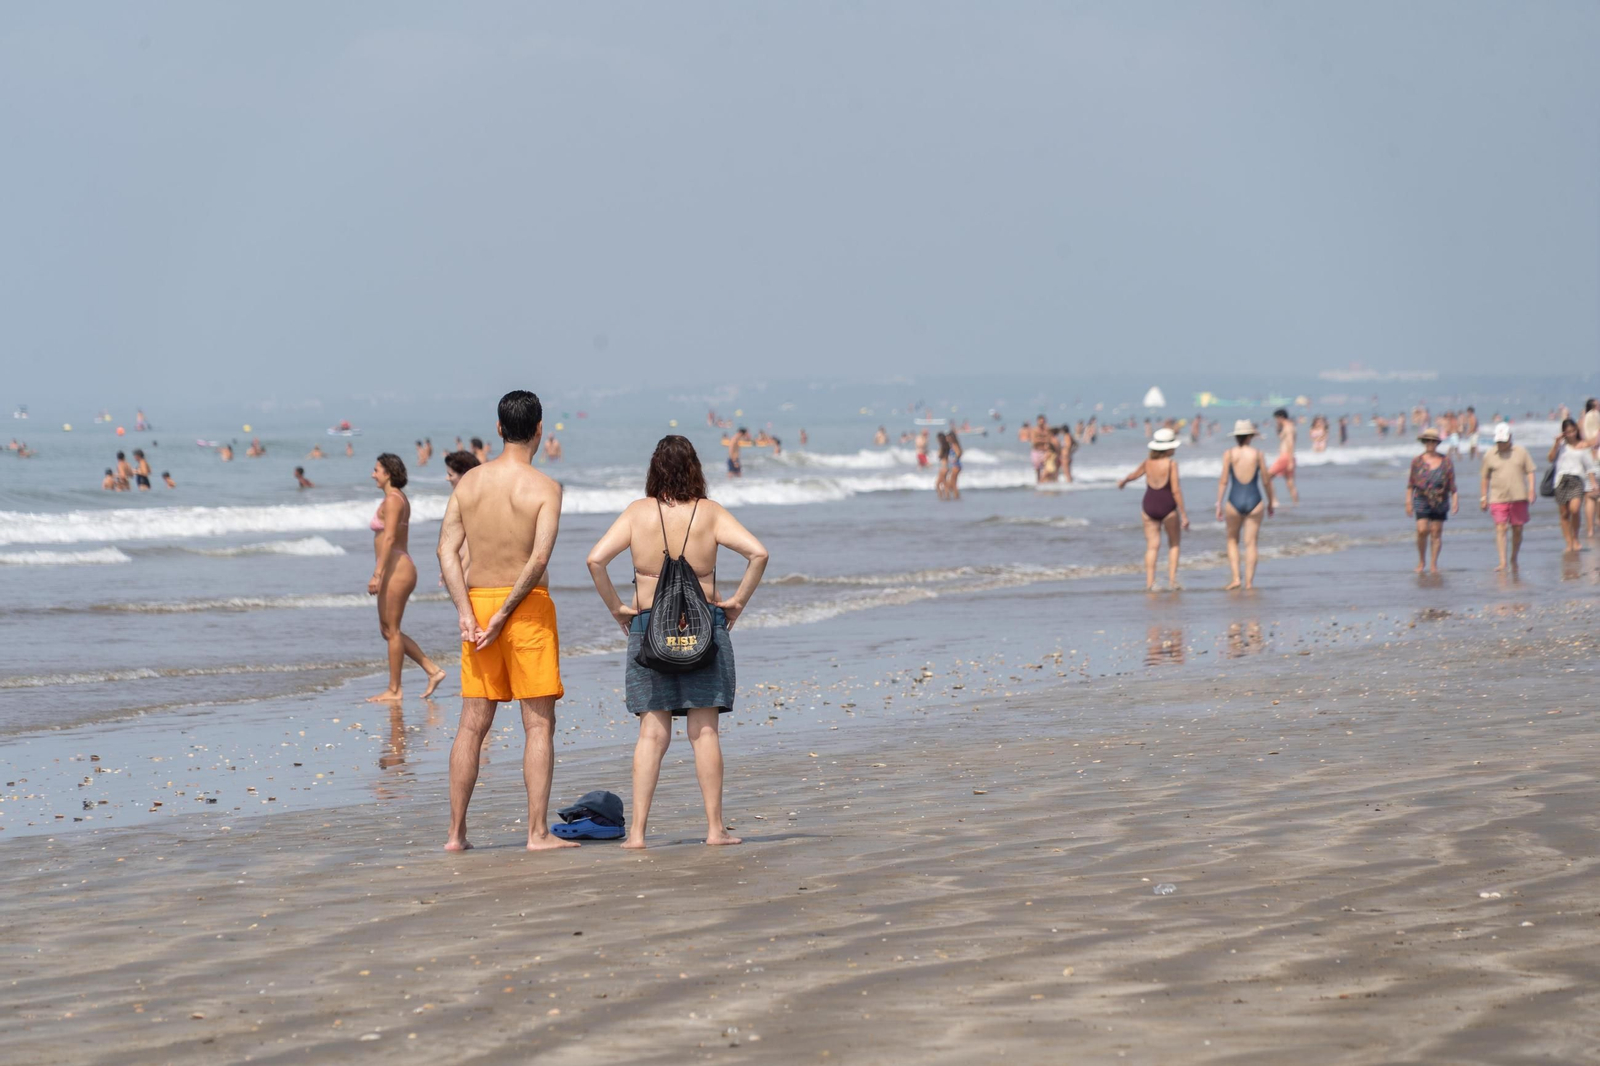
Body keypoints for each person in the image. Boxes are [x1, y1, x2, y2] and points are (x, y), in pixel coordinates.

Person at [585, 435, 768, 849]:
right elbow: (758, 553)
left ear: (654, 469)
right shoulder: (710, 513)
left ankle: (636, 834)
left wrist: (617, 607)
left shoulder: (637, 513)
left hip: (649, 628)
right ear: (695, 469)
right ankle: (714, 829)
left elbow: (595, 560)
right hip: (704, 629)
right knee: (704, 732)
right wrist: (736, 602)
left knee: (652, 734)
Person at [436, 391, 572, 852]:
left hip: (477, 606)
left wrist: (465, 613)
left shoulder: (469, 484)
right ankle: (536, 834)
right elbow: (537, 560)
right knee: (538, 726)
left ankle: (456, 834)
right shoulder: (545, 488)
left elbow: (446, 553)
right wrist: (506, 613)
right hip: (525, 606)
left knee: (471, 725)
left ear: (498, 428)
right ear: (539, 430)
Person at [366, 453, 447, 704]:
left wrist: (377, 573)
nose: (373, 474)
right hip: (396, 567)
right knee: (388, 630)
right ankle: (432, 670)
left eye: (377, 469)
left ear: (388, 473)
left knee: (392, 631)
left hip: (396, 568)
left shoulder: (392, 500)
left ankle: (394, 689)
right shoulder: (399, 498)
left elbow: (389, 538)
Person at [1118, 428, 1189, 591]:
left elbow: (1133, 475)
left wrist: (1123, 482)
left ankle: (1150, 583)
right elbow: (1176, 490)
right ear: (1168, 448)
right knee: (1174, 544)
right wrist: (1184, 514)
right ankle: (1172, 582)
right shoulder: (1171, 464)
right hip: (1168, 506)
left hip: (1149, 505)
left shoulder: (1147, 463)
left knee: (1152, 547)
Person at [1215, 420, 1275, 590]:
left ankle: (1236, 578)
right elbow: (1265, 480)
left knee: (1232, 540)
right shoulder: (1257, 454)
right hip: (1255, 500)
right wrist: (1270, 502)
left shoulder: (1229, 454)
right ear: (1250, 436)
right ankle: (1249, 583)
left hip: (1234, 500)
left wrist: (1218, 503)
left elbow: (1224, 481)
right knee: (1251, 543)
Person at [1479, 422, 1535, 571]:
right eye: (1498, 441)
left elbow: (1530, 471)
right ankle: (1503, 562)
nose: (1501, 444)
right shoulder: (1489, 455)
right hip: (1497, 497)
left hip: (1519, 496)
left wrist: (1531, 490)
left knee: (1517, 529)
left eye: (1503, 441)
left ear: (1510, 438)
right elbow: (1485, 477)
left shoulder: (1521, 452)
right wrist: (1483, 497)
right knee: (1501, 528)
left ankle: (1513, 558)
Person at [1407, 428, 1457, 574]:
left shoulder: (1446, 461)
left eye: (1433, 441)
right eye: (1428, 441)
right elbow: (1410, 484)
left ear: (1437, 443)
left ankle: (1434, 564)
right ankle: (1422, 561)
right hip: (1421, 499)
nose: (1430, 444)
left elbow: (1452, 484)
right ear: (1424, 442)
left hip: (1440, 500)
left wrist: (1455, 500)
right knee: (1422, 530)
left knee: (1436, 532)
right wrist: (1408, 502)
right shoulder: (1417, 461)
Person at [1548, 419, 1599, 553]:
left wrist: (1593, 483)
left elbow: (1589, 467)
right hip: (1561, 480)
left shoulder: (1582, 446)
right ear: (1564, 432)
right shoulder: (1561, 446)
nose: (1571, 434)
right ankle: (1569, 542)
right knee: (1564, 513)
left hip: (1577, 480)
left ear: (1576, 430)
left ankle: (1575, 537)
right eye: (1568, 432)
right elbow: (1550, 458)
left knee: (1575, 509)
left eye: (1573, 431)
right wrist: (1556, 443)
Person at [439, 450, 480, 584]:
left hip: (468, 570)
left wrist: (458, 572)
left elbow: (472, 544)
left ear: (464, 475)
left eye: (450, 474)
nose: (447, 478)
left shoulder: (469, 500)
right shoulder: (467, 498)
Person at [1270, 408, 1298, 503]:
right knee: (1290, 482)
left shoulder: (1288, 427)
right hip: (1288, 457)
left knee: (1267, 476)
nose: (1276, 421)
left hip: (1286, 457)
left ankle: (1274, 501)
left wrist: (1290, 461)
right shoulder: (1287, 427)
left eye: (1277, 419)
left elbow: (1290, 443)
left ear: (1281, 417)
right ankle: (1296, 503)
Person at [1029, 415, 1053, 483]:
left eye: (1043, 422)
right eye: (1040, 422)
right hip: (1036, 451)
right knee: (1037, 469)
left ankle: (1044, 481)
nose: (1042, 423)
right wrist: (1044, 440)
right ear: (1037, 422)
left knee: (1048, 468)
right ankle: (1038, 482)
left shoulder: (1047, 430)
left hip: (1045, 451)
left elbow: (1050, 439)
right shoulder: (1034, 430)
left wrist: (1040, 439)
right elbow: (1034, 442)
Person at [945, 428, 963, 499]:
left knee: (953, 483)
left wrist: (954, 459)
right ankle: (956, 496)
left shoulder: (954, 444)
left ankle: (956, 496)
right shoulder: (953, 444)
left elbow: (959, 452)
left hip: (956, 465)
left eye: (947, 437)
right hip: (956, 465)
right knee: (953, 483)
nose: (946, 438)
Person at [935, 432, 951, 500]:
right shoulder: (947, 446)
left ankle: (941, 497)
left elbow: (939, 456)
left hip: (943, 467)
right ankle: (946, 496)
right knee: (944, 484)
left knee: (938, 484)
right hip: (946, 467)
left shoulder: (942, 447)